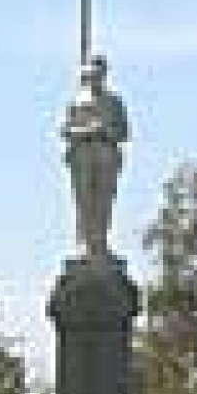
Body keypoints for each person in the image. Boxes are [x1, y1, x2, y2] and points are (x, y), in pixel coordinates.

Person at [61, 54, 128, 258]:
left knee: (104, 202)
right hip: (82, 155)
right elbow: (65, 130)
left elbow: (124, 132)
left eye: (100, 73)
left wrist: (106, 131)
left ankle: (100, 243)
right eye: (93, 73)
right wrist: (86, 131)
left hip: (106, 155)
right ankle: (85, 244)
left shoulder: (114, 102)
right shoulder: (77, 102)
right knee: (83, 201)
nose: (96, 77)